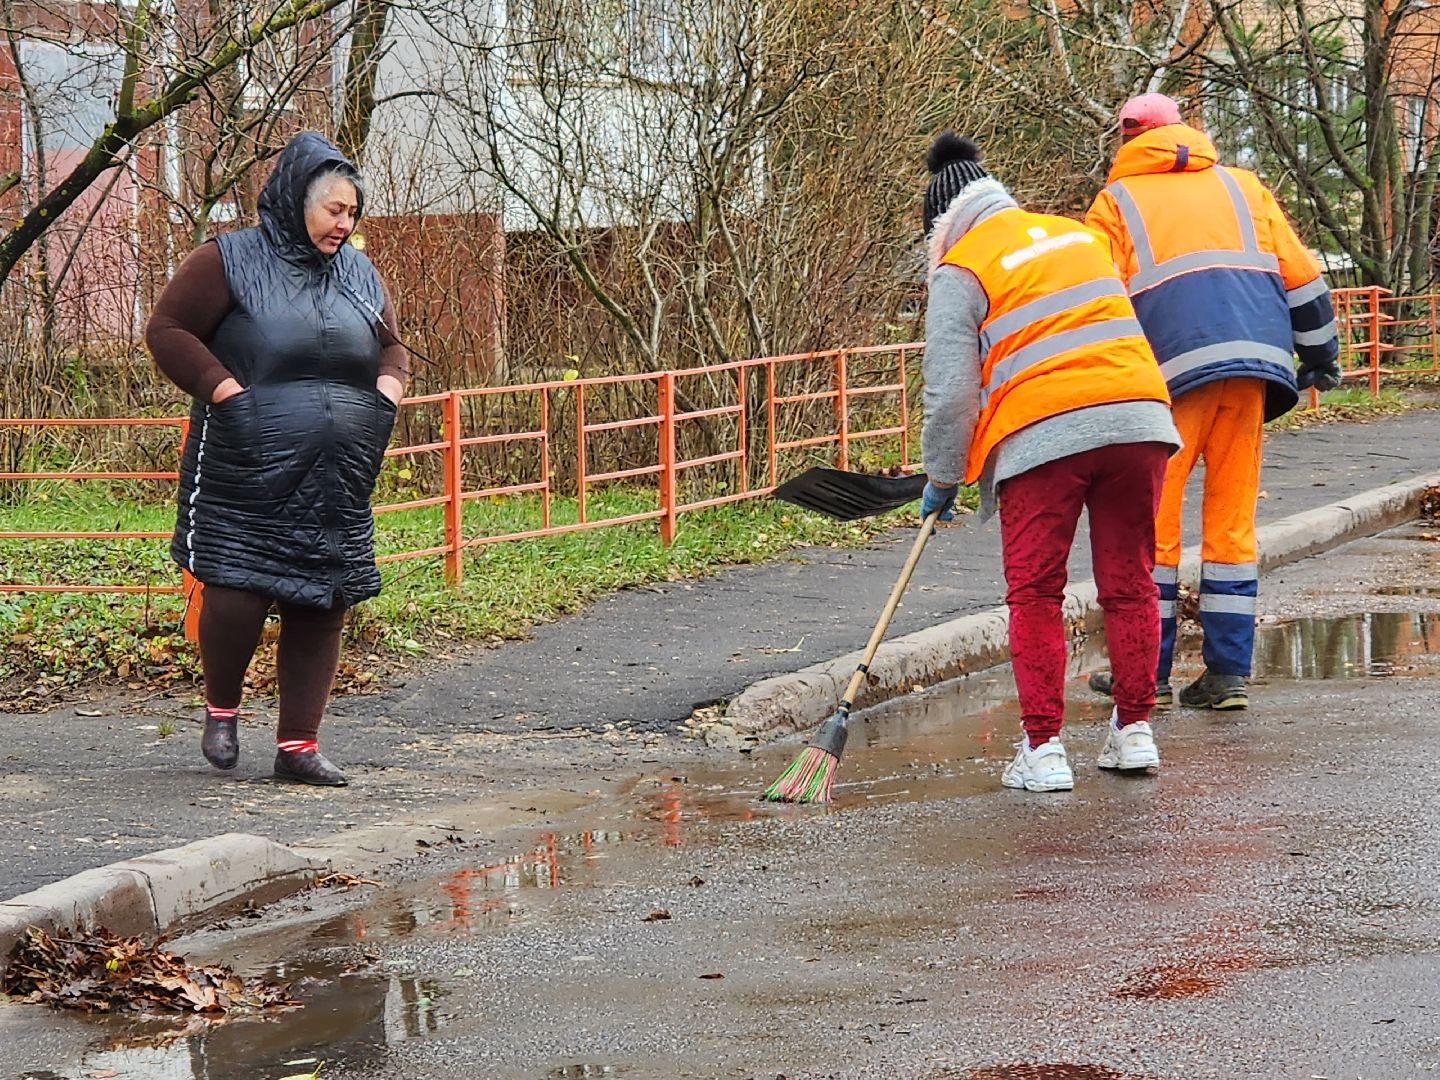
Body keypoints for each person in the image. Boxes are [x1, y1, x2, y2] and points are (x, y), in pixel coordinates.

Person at [919, 133, 1181, 793]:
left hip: (1043, 433)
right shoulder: (1077, 236)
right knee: (1131, 582)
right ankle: (1134, 731)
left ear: (941, 227)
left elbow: (951, 394)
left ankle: (1043, 749)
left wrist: (942, 476)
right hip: (1140, 417)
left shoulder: (961, 267)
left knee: (1035, 592)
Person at [145, 131, 408, 786]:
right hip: (247, 459)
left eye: (353, 213)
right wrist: (227, 393)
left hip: (338, 471)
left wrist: (386, 398)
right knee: (239, 586)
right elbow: (168, 330)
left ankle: (299, 746)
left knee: (324, 597)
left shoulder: (358, 273)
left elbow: (393, 350)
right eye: (334, 211)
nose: (345, 225)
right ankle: (222, 711)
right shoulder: (229, 259)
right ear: (298, 203)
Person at [1083, 94, 1342, 711]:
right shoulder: (1244, 188)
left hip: (1169, 375)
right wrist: (1321, 356)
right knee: (1231, 523)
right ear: (1184, 131)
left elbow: (1096, 297)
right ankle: (1228, 675)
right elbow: (1303, 276)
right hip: (1253, 370)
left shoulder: (1116, 203)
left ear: (1125, 137)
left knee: (1156, 530)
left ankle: (1148, 675)